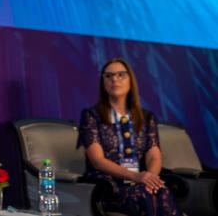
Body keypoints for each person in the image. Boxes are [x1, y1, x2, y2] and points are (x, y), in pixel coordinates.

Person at [77, 58, 182, 215]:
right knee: (143, 195)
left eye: (121, 75)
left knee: (161, 192)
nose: (114, 79)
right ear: (103, 83)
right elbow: (97, 161)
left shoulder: (147, 117)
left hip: (140, 182)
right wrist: (137, 177)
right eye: (108, 76)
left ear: (130, 80)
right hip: (108, 186)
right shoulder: (91, 116)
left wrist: (150, 180)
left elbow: (154, 156)